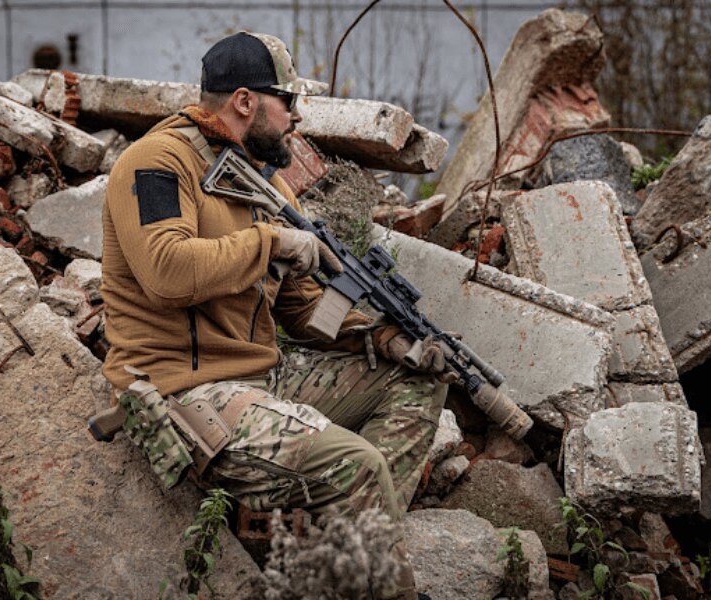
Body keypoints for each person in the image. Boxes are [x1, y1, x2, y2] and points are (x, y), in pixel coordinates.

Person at [101, 31, 451, 599]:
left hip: (260, 380)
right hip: (184, 392)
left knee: (417, 379)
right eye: (288, 101)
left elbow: (303, 311)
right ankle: (378, 578)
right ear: (246, 101)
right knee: (357, 464)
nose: (297, 116)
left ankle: (337, 552)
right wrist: (271, 243)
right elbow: (166, 271)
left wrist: (384, 339)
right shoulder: (155, 163)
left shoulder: (258, 177)